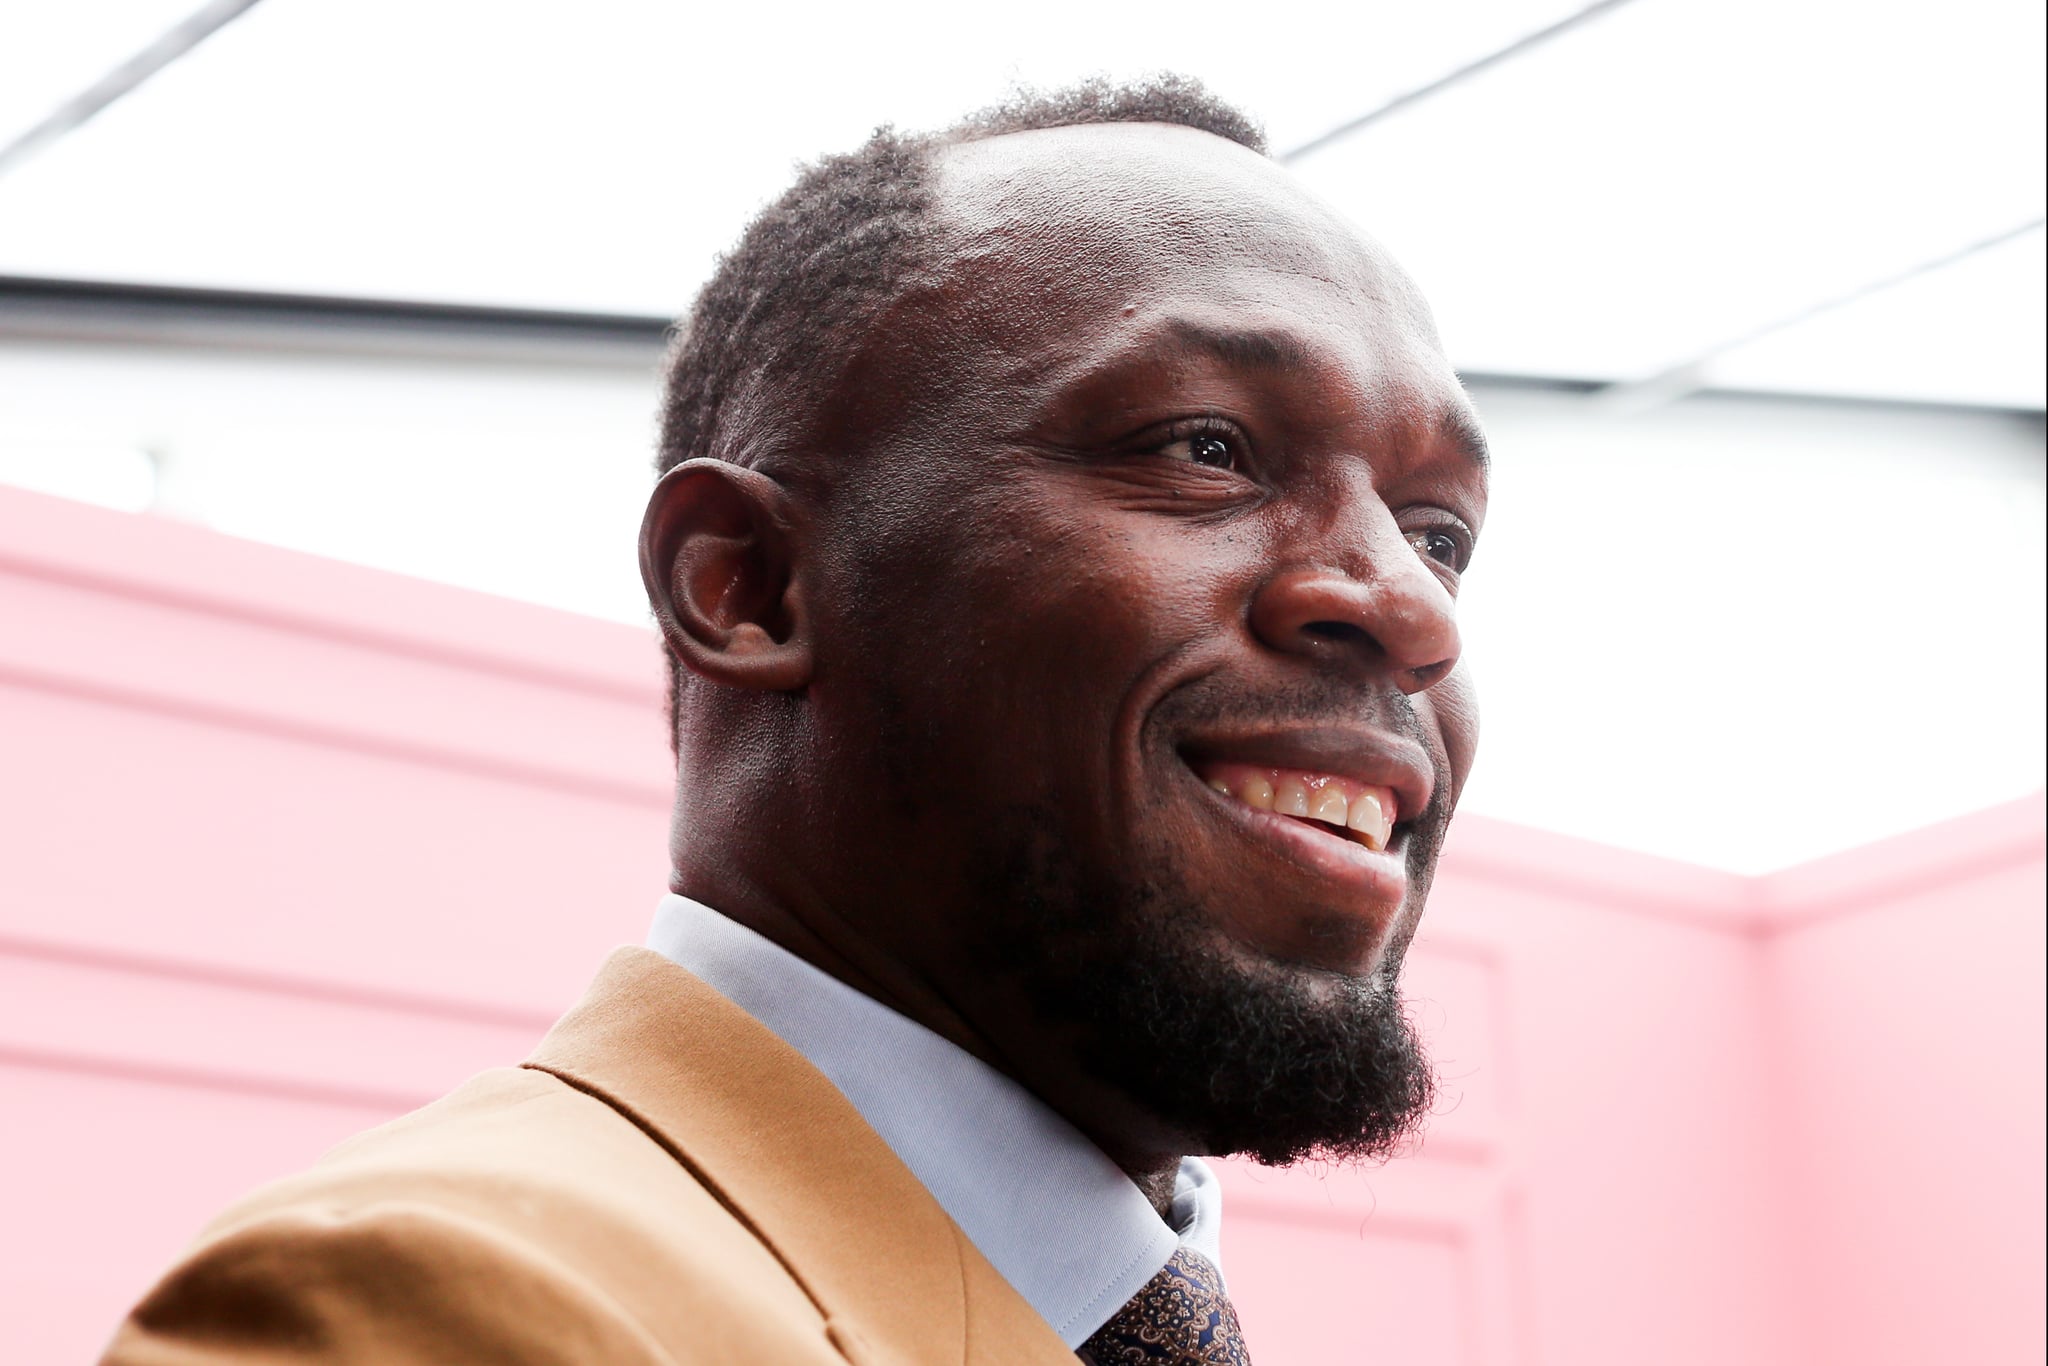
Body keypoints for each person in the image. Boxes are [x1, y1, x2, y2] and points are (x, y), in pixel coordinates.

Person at [102, 75, 1488, 1365]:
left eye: (1439, 532)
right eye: (1206, 446)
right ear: (749, 585)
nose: (1414, 611)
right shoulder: (438, 1310)